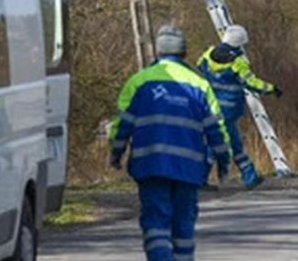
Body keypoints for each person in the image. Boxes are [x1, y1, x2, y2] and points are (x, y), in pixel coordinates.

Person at [109, 24, 231, 261]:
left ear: (158, 50)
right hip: (189, 169)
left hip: (151, 167)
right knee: (184, 228)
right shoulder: (199, 85)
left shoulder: (139, 82)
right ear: (184, 52)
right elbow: (217, 129)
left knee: (156, 226)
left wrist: (116, 153)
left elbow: (122, 124)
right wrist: (224, 160)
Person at [196, 25, 282, 190]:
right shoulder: (237, 61)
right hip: (230, 108)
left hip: (211, 106)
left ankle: (250, 175)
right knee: (219, 143)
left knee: (232, 141)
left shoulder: (208, 54)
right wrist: (271, 88)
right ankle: (201, 179)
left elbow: (200, 66)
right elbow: (251, 82)